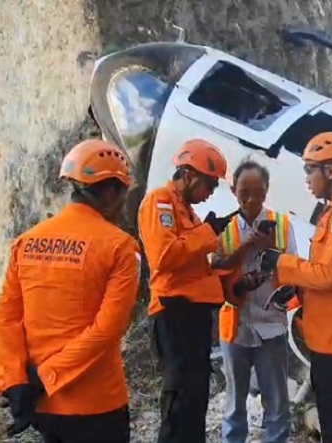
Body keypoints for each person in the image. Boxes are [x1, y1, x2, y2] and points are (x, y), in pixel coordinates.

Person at [0, 139, 141, 443]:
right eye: (124, 193)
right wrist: (47, 377)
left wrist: (17, 380)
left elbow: (6, 317)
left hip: (42, 406)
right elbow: (107, 330)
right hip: (96, 403)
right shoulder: (120, 247)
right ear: (111, 193)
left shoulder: (28, 241)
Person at [258, 132, 332, 443]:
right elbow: (331, 273)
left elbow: (328, 274)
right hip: (329, 340)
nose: (307, 178)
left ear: (331, 171)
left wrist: (281, 263)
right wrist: (297, 288)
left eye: (310, 169)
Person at [137, 138, 236, 443]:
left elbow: (193, 268)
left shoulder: (188, 213)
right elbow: (164, 256)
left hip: (192, 316)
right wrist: (207, 233)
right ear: (190, 175)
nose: (211, 193)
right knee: (180, 400)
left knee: (194, 400)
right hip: (174, 313)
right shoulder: (161, 202)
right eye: (210, 185)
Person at [211, 160, 297, 443]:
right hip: (235, 327)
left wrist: (271, 255)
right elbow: (215, 272)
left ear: (266, 190)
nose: (250, 199)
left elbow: (294, 272)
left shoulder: (282, 225)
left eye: (258, 192)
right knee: (234, 403)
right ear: (233, 190)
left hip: (271, 326)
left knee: (277, 404)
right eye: (244, 192)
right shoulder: (223, 228)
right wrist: (242, 276)